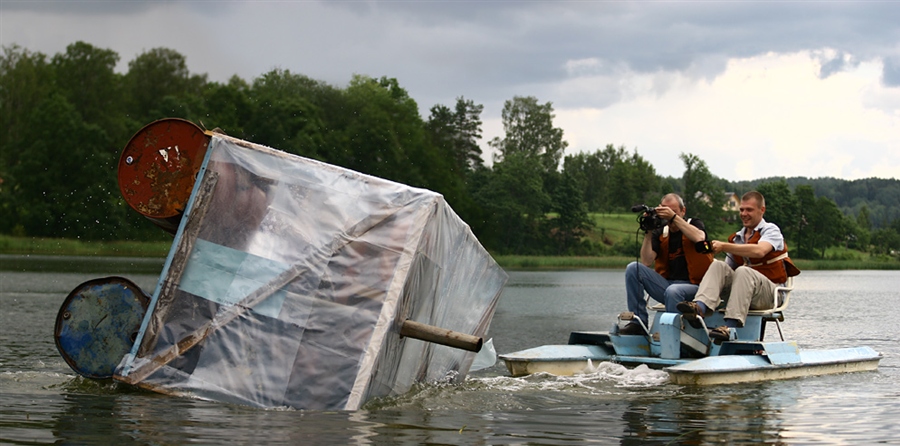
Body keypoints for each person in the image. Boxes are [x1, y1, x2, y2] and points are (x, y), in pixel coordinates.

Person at [677, 191, 800, 343]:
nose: (744, 214)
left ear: (762, 210)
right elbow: (728, 274)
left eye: (749, 210)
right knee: (719, 266)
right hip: (744, 291)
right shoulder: (737, 238)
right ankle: (699, 308)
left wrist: (724, 246)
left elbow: (759, 251)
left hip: (771, 293)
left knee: (743, 271)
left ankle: (729, 327)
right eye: (742, 210)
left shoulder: (771, 230)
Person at [619, 193, 714, 335]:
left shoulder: (693, 223)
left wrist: (674, 218)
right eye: (665, 211)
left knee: (674, 290)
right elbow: (646, 261)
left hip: (696, 288)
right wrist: (648, 231)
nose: (668, 215)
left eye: (673, 211)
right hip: (668, 285)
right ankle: (638, 323)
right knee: (633, 268)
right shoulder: (661, 232)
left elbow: (700, 237)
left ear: (683, 211)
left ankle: (674, 333)